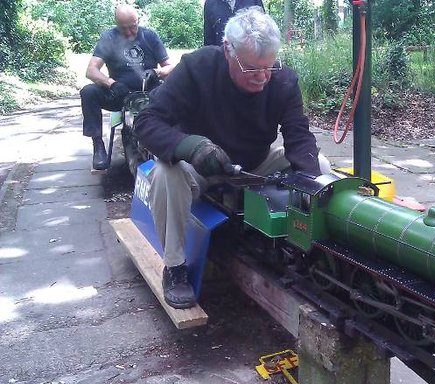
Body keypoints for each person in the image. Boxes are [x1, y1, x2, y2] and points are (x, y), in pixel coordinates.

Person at [134, 7, 331, 309]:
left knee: (321, 167)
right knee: (165, 175)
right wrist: (191, 147)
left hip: (256, 161)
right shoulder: (196, 68)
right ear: (228, 49)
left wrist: (314, 183)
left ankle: (304, 247)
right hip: (200, 166)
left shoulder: (283, 81)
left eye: (269, 67)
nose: (263, 78)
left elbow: (298, 137)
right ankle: (175, 267)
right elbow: (147, 121)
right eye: (253, 69)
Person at [80, 4, 174, 170]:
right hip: (119, 94)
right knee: (89, 92)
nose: (130, 32)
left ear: (138, 21)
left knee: (175, 94)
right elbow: (91, 70)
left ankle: (172, 142)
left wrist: (156, 72)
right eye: (124, 29)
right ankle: (98, 146)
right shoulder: (109, 38)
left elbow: (170, 67)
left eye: (133, 27)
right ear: (116, 24)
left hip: (148, 92)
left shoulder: (149, 36)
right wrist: (112, 83)